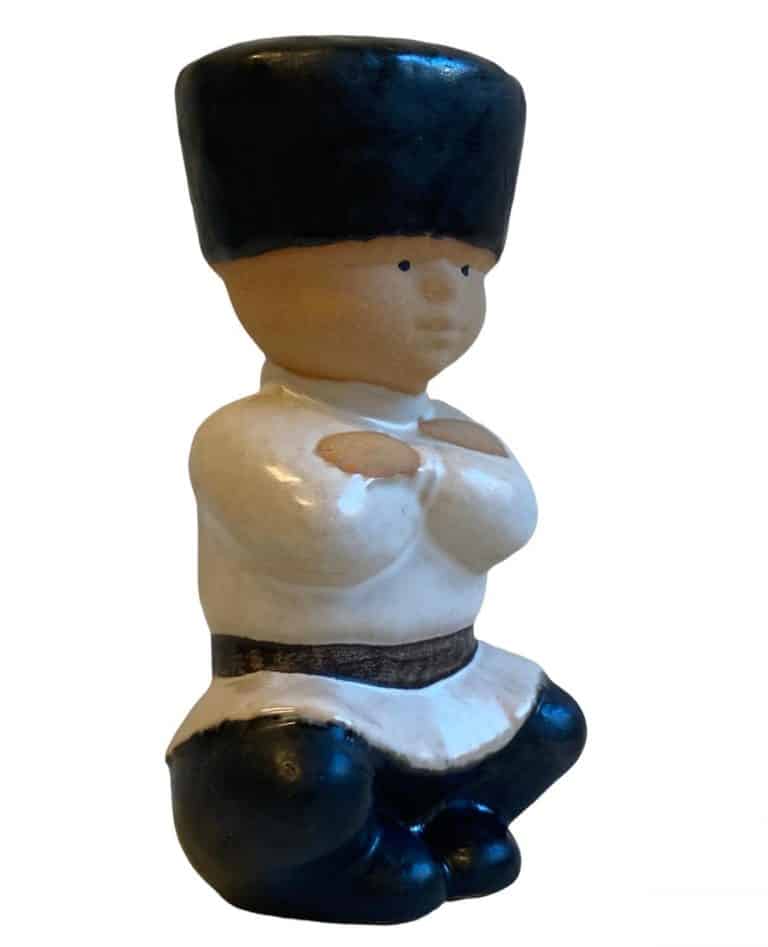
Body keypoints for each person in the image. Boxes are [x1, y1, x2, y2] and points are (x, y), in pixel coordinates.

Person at [167, 36, 586, 924]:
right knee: (296, 777)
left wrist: (421, 467)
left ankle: (450, 817)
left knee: (551, 722)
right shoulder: (245, 435)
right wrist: (438, 476)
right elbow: (334, 539)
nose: (444, 298)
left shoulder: (441, 427)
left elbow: (511, 521)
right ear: (253, 283)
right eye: (402, 267)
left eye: (466, 271)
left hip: (446, 680)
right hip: (304, 698)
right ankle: (339, 858)